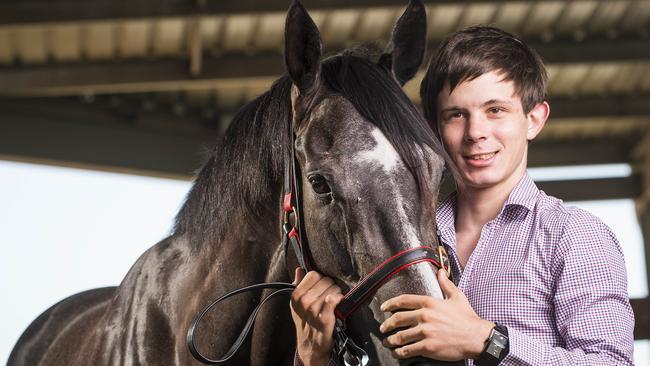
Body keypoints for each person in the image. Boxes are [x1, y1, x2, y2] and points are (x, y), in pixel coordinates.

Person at [290, 25, 635, 366]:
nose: (476, 133)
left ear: (533, 119)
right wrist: (312, 357)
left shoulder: (574, 236)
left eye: (495, 110)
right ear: (432, 128)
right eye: (456, 115)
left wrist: (486, 341)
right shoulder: (398, 242)